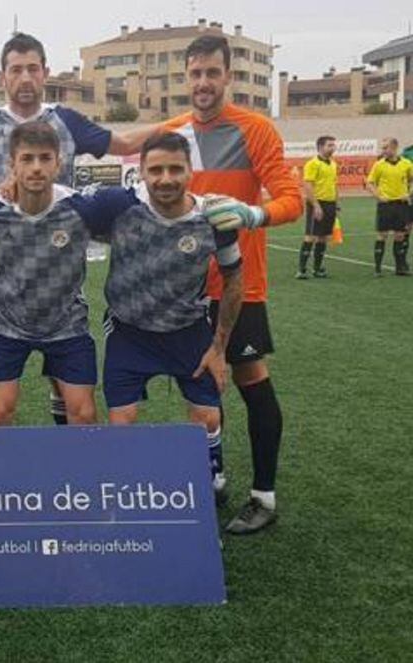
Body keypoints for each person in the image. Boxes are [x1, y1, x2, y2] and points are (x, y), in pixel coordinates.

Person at [0, 32, 159, 425]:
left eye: (32, 68)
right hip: (5, 263)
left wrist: (185, 123)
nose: (25, 77)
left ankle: (66, 461)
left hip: (61, 255)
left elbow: (123, 143)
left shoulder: (64, 121)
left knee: (66, 385)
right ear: (3, 76)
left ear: (45, 72)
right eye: (16, 70)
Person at [169, 34, 304, 534]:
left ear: (228, 76)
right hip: (186, 289)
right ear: (186, 77)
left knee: (250, 381)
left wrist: (252, 213)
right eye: (195, 73)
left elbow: (292, 200)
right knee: (204, 383)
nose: (203, 83)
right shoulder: (171, 133)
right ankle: (215, 475)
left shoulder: (256, 130)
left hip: (238, 286)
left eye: (212, 73)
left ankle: (263, 496)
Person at [100, 133, 244, 480]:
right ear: (142, 173)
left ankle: (211, 479)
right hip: (129, 332)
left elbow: (235, 280)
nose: (165, 179)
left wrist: (219, 347)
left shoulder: (215, 219)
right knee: (122, 423)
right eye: (156, 170)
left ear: (190, 171)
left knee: (208, 418)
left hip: (188, 330)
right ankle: (127, 486)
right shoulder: (118, 207)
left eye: (175, 169)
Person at [366, 137, 413, 276]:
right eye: (383, 147)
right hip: (385, 205)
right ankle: (377, 269)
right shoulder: (379, 165)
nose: (383, 150)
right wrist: (378, 196)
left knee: (400, 235)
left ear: (394, 148)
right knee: (382, 235)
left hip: (401, 204)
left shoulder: (406, 164)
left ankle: (400, 268)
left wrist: (409, 193)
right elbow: (370, 183)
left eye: (385, 147)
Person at [297, 136, 339, 279]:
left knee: (323, 237)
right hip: (317, 203)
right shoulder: (312, 164)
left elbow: (334, 184)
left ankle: (317, 269)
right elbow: (307, 185)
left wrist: (336, 202)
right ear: (321, 147)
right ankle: (301, 270)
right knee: (310, 236)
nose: (333, 148)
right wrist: (315, 205)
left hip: (330, 204)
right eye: (330, 145)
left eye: (333, 145)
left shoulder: (333, 164)